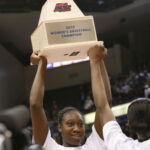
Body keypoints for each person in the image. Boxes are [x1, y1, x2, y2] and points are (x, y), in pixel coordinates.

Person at [29, 48, 110, 150]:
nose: (77, 129)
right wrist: (42, 63)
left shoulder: (94, 145)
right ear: (59, 127)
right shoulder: (49, 147)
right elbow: (35, 105)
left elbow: (106, 103)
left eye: (81, 124)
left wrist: (98, 60)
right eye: (70, 124)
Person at [88, 45, 150, 150]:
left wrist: (95, 61)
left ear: (129, 124)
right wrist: (96, 60)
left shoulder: (122, 146)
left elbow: (103, 106)